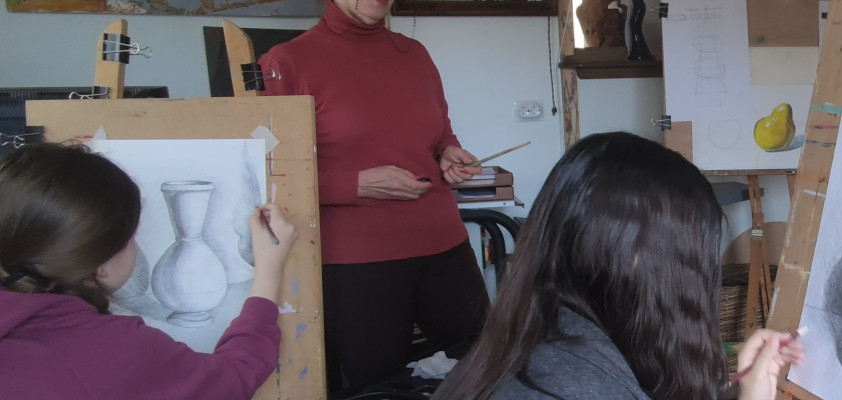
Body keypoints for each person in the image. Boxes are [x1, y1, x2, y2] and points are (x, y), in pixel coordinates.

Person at [433, 132, 805, 400]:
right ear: (639, 257)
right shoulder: (570, 382)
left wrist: (742, 392)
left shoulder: (546, 332)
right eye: (695, 257)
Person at [257, 0, 491, 395]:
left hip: (445, 246)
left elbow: (441, 134)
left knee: (483, 369)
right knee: (377, 388)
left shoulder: (415, 54)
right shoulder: (286, 62)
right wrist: (354, 185)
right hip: (356, 264)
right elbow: (269, 174)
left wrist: (448, 153)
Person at [0, 143, 299, 399]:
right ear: (100, 265)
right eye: (132, 237)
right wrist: (269, 267)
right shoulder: (113, 352)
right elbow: (232, 378)